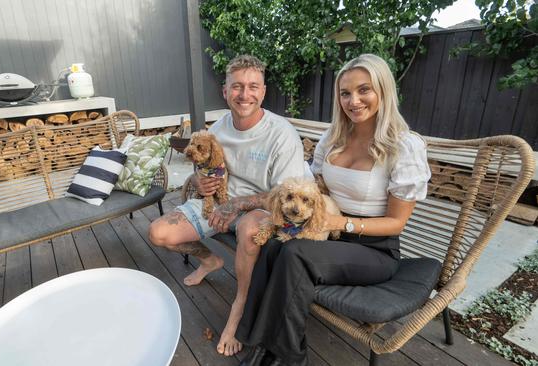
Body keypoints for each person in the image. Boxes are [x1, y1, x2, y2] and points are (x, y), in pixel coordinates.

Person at [234, 53, 432, 366]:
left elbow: (396, 223)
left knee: (294, 254)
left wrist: (341, 221)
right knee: (272, 246)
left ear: (383, 90)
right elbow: (316, 188)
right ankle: (261, 343)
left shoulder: (404, 146)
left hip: (374, 251)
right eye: (345, 93)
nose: (354, 101)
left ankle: (289, 356)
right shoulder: (335, 137)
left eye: (364, 90)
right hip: (327, 237)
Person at [148, 55, 310, 357]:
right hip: (217, 203)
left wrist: (236, 206)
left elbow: (285, 194)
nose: (244, 95)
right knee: (158, 233)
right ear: (225, 91)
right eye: (237, 87)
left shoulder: (281, 134)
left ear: (263, 91)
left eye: (252, 87)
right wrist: (199, 181)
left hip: (261, 207)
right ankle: (210, 260)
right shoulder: (218, 129)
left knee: (250, 230)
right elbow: (202, 165)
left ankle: (239, 308)